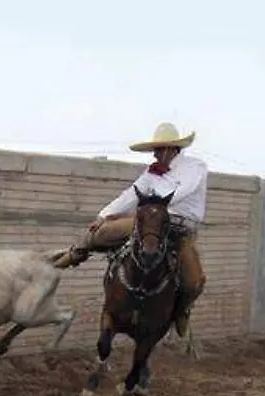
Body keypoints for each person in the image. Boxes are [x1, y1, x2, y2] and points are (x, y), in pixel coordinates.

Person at [50, 122, 208, 339]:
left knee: (194, 281)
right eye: (155, 149)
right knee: (103, 232)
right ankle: (76, 253)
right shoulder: (151, 173)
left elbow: (183, 191)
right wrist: (104, 214)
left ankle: (182, 311)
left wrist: (156, 202)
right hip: (149, 221)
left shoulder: (195, 167)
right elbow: (130, 195)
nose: (156, 154)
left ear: (172, 149)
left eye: (159, 149)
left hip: (180, 228)